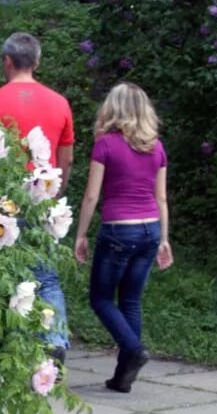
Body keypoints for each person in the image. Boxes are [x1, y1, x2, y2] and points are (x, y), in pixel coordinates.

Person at [73, 82, 173, 393]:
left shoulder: (106, 145)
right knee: (130, 300)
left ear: (112, 109)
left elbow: (91, 196)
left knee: (101, 298)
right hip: (149, 228)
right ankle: (122, 376)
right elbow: (161, 198)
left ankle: (133, 349)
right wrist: (164, 238)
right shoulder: (156, 146)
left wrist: (81, 234)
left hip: (119, 228)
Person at [0, 32, 75, 361]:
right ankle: (54, 341)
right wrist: (55, 192)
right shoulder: (60, 103)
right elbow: (66, 158)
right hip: (43, 197)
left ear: (7, 61)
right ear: (36, 62)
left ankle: (5, 348)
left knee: (2, 273)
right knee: (46, 276)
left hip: (4, 201)